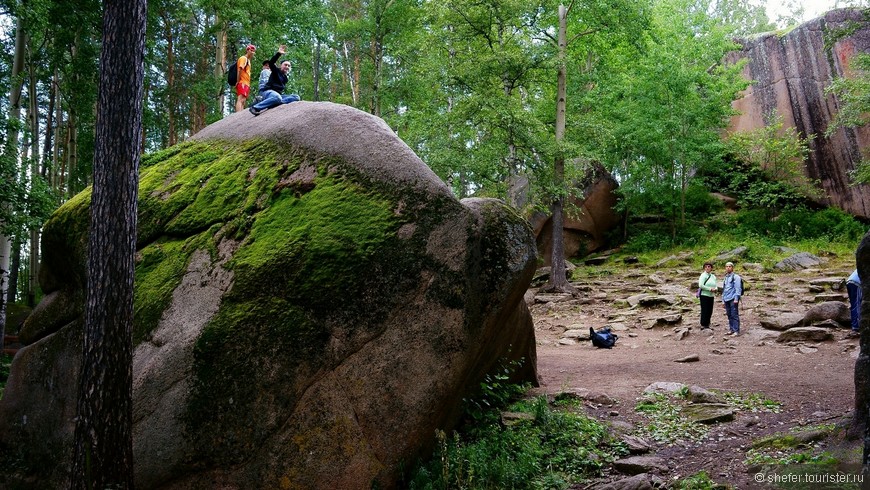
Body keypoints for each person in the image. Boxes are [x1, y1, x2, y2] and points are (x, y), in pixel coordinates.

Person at [249, 45, 300, 116]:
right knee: (277, 97)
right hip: (267, 92)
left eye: (289, 66)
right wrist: (278, 53)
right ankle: (255, 108)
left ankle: (274, 103)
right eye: (285, 65)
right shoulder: (276, 71)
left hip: (277, 95)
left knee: (296, 97)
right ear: (281, 65)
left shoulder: (285, 78)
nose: (287, 67)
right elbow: (271, 63)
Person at [721, 261, 743, 336]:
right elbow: (724, 289)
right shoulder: (725, 277)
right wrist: (722, 300)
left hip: (733, 298)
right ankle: (731, 329)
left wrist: (736, 298)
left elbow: (738, 288)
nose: (728, 268)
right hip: (726, 298)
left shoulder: (736, 277)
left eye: (730, 266)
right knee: (729, 314)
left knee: (734, 314)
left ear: (732, 268)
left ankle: (736, 330)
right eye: (727, 266)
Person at [234, 44, 257, 112]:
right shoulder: (243, 58)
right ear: (247, 50)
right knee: (240, 99)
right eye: (251, 50)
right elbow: (240, 69)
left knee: (243, 100)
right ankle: (238, 115)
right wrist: (238, 81)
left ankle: (241, 113)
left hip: (246, 83)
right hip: (242, 82)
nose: (253, 52)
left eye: (254, 51)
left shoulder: (248, 61)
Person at [698, 262, 717, 330]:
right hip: (704, 295)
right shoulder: (703, 275)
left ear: (711, 268)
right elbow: (701, 285)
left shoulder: (713, 276)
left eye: (709, 266)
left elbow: (715, 285)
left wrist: (715, 289)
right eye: (706, 267)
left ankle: (707, 324)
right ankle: (703, 324)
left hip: (711, 295)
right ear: (704, 268)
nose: (707, 268)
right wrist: (709, 289)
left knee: (710, 310)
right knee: (705, 309)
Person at [847, 269, 862, 337]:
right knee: (857, 305)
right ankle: (856, 327)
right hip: (857, 283)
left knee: (854, 304)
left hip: (850, 281)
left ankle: (855, 325)